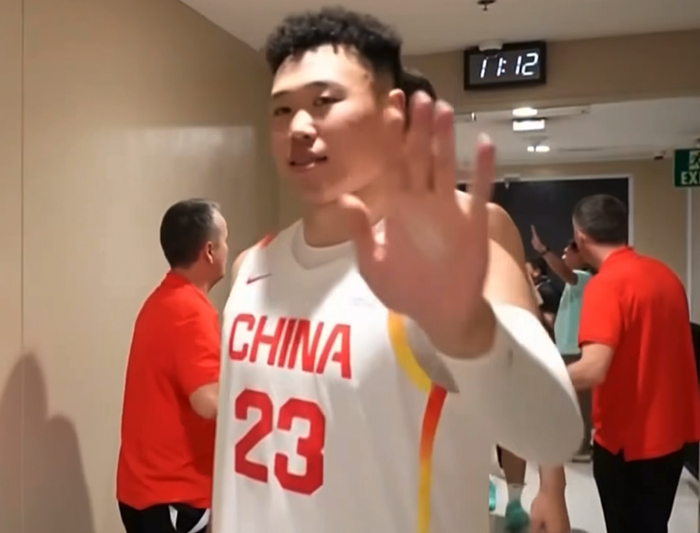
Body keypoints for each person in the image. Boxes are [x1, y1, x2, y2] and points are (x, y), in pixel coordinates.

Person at [211, 8, 581, 533]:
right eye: (282, 108)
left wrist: (472, 336)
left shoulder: (458, 251)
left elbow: (549, 430)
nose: (298, 126)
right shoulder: (252, 267)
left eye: (324, 102)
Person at [400, 67, 534, 531]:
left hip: (451, 455)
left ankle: (512, 496)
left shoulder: (484, 223)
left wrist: (552, 486)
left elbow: (525, 361)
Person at [566, 194, 700, 533]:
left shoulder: (605, 285)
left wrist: (537, 380)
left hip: (628, 444)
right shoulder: (666, 276)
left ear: (580, 236)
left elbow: (593, 368)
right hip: (672, 437)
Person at [117, 199, 228, 533]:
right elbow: (209, 402)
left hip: (142, 493)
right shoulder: (192, 311)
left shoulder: (159, 301)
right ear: (209, 251)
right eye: (225, 240)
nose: (228, 249)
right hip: (173, 498)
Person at [531, 227, 593, 461]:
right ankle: (574, 444)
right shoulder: (576, 282)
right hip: (566, 347)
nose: (565, 255)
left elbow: (565, 272)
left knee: (579, 401)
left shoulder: (583, 277)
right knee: (571, 399)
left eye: (568, 252)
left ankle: (581, 447)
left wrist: (544, 251)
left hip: (574, 349)